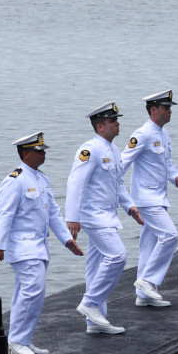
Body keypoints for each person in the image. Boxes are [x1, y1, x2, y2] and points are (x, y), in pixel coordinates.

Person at [0, 131, 83, 354]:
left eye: (44, 150)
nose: (43, 154)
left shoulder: (41, 179)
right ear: (26, 153)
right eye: (39, 151)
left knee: (27, 293)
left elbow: (54, 214)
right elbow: (4, 215)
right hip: (22, 247)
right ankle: (18, 340)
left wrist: (67, 240)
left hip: (39, 247)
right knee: (33, 291)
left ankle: (23, 338)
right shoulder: (15, 180)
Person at [66, 102, 145, 335]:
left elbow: (117, 183)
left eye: (116, 120)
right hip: (93, 216)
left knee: (95, 267)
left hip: (108, 215)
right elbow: (75, 183)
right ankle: (90, 303)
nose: (118, 123)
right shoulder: (89, 150)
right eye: (113, 121)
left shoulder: (113, 150)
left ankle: (94, 323)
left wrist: (130, 206)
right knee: (118, 256)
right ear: (100, 126)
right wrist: (72, 218)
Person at [121, 89, 178, 306]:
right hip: (146, 199)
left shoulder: (163, 134)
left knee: (148, 245)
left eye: (169, 108)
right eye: (166, 108)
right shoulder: (142, 134)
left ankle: (144, 297)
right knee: (170, 236)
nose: (169, 112)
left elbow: (167, 163)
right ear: (153, 110)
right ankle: (147, 280)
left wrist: (175, 177)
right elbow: (122, 162)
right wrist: (114, 191)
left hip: (159, 197)